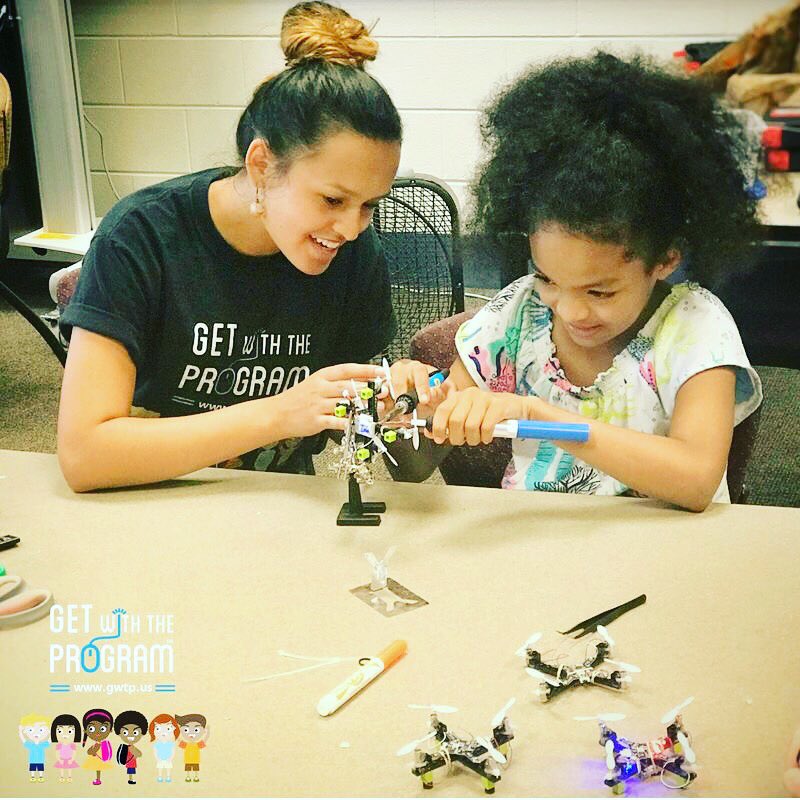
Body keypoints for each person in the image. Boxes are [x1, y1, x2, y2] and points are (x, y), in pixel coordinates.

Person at [57, 1, 416, 491]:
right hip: (148, 501)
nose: (351, 228)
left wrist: (408, 410)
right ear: (262, 164)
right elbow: (84, 456)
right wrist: (278, 415)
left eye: (370, 205)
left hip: (276, 509)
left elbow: (369, 439)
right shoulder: (142, 235)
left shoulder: (355, 253)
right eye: (332, 199)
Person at [391, 53, 762, 512]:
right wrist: (412, 410)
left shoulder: (695, 330)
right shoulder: (519, 313)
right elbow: (413, 467)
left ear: (666, 258)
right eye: (547, 278)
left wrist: (535, 414)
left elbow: (696, 480)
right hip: (540, 552)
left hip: (667, 558)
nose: (568, 311)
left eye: (599, 291)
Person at [51, 713, 81, 783]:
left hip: (70, 759)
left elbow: (74, 753)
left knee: (69, 768)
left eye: (70, 731)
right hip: (61, 759)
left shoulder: (72, 745)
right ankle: (62, 776)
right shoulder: (59, 745)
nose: (65, 735)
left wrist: (72, 759)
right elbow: (57, 753)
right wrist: (59, 759)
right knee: (62, 768)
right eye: (60, 731)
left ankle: (69, 776)